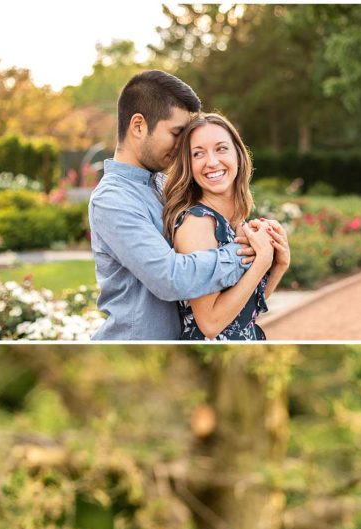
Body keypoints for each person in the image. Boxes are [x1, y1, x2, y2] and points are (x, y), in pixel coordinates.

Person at [88, 71, 260, 340]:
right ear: (138, 126)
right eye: (177, 133)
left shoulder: (164, 184)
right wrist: (243, 253)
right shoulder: (112, 199)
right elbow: (170, 278)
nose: (184, 146)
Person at [161, 113, 291, 340]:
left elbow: (245, 312)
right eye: (198, 153)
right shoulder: (198, 223)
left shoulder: (234, 221)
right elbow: (210, 324)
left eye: (221, 149)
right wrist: (262, 262)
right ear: (188, 165)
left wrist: (280, 265)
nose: (211, 162)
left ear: (238, 155)